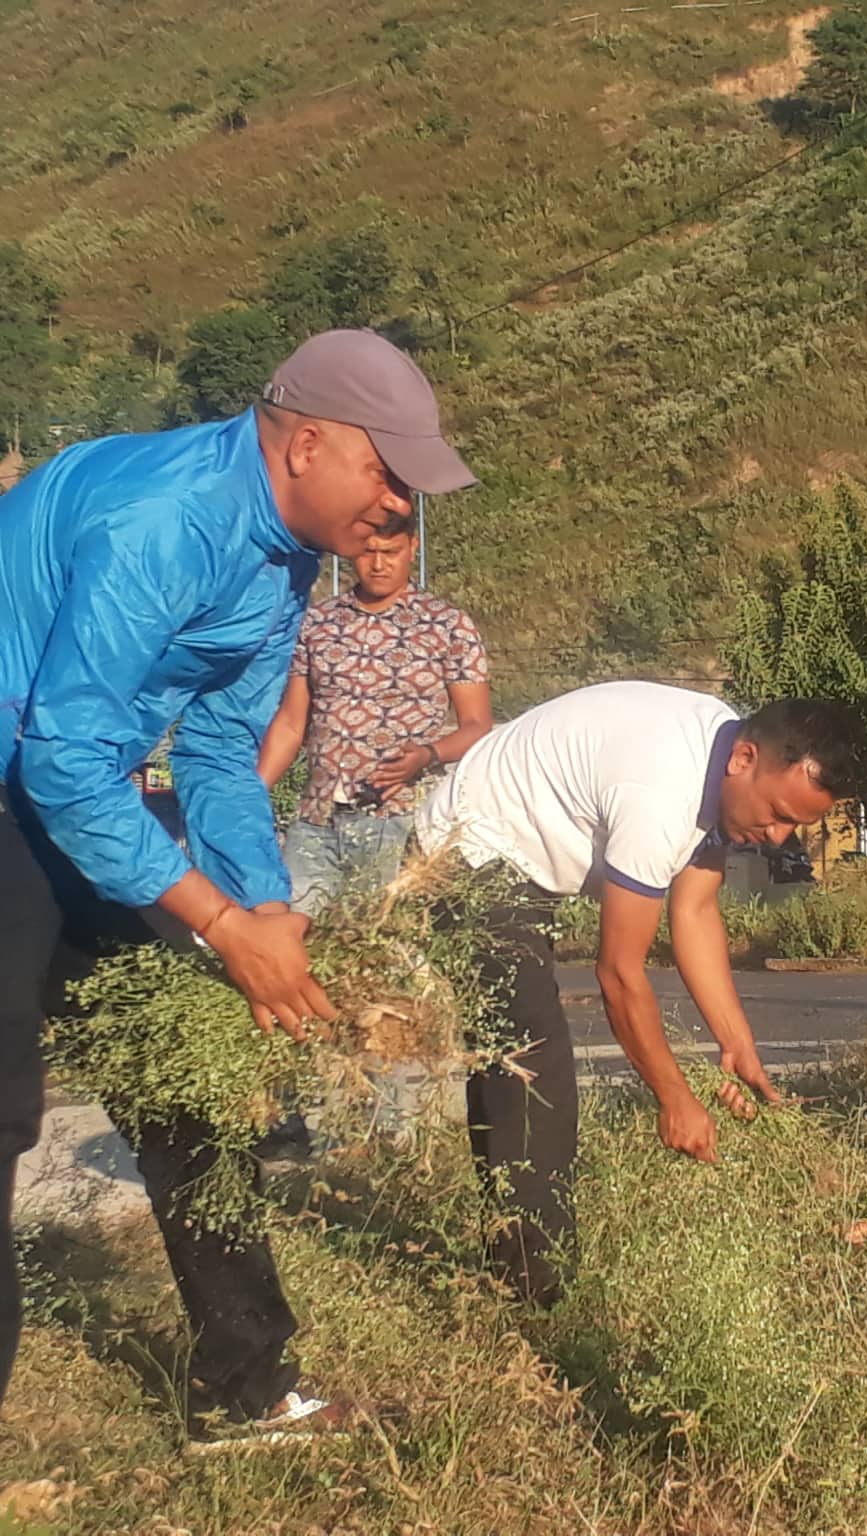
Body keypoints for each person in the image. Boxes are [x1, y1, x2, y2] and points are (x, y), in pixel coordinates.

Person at [0, 328, 475, 1429]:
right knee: (4, 1110)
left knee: (185, 1086)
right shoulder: (163, 520)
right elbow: (62, 757)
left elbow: (217, 752)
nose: (399, 504)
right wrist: (216, 919)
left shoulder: (281, 562)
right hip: (30, 783)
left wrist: (265, 910)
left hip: (79, 792)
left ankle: (244, 1389)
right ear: (306, 444)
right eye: (386, 472)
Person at [415, 685, 866, 1303]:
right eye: (779, 813)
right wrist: (674, 1098)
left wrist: (737, 1043)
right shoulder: (660, 794)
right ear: (745, 759)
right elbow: (619, 975)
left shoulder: (723, 761)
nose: (781, 837)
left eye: (797, 825)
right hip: (464, 852)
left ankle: (518, 1266)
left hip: (517, 858)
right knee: (530, 1064)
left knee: (516, 1056)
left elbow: (696, 911)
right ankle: (533, 1295)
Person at [258, 522, 492, 917]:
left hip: (398, 822)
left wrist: (427, 754)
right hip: (317, 820)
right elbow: (291, 723)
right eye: (368, 553)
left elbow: (477, 726)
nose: (379, 565)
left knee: (381, 945)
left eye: (391, 553)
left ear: (413, 547)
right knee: (293, 935)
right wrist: (253, 791)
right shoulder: (318, 623)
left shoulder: (448, 625)